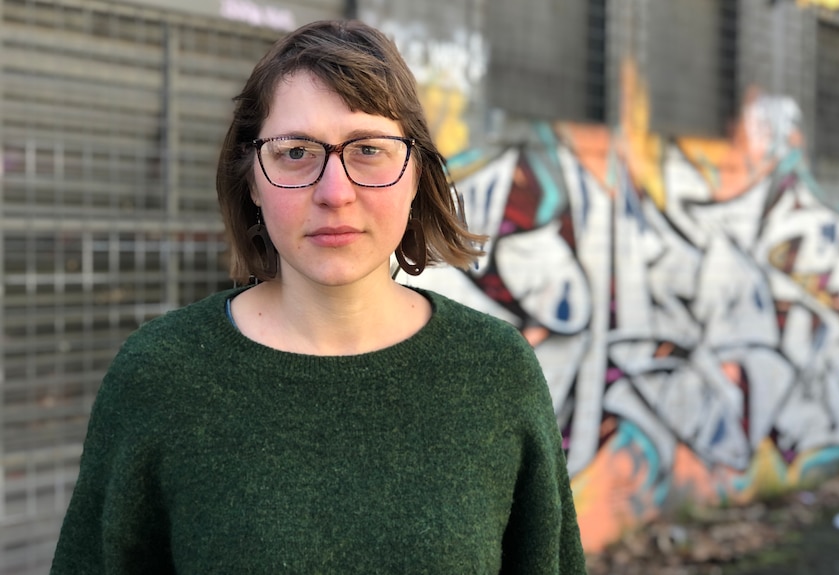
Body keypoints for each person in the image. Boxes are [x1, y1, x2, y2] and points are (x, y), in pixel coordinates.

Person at [50, 19, 587, 574]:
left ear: (415, 173)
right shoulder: (160, 376)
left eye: (369, 150)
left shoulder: (495, 371)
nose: (335, 192)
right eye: (296, 152)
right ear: (252, 179)